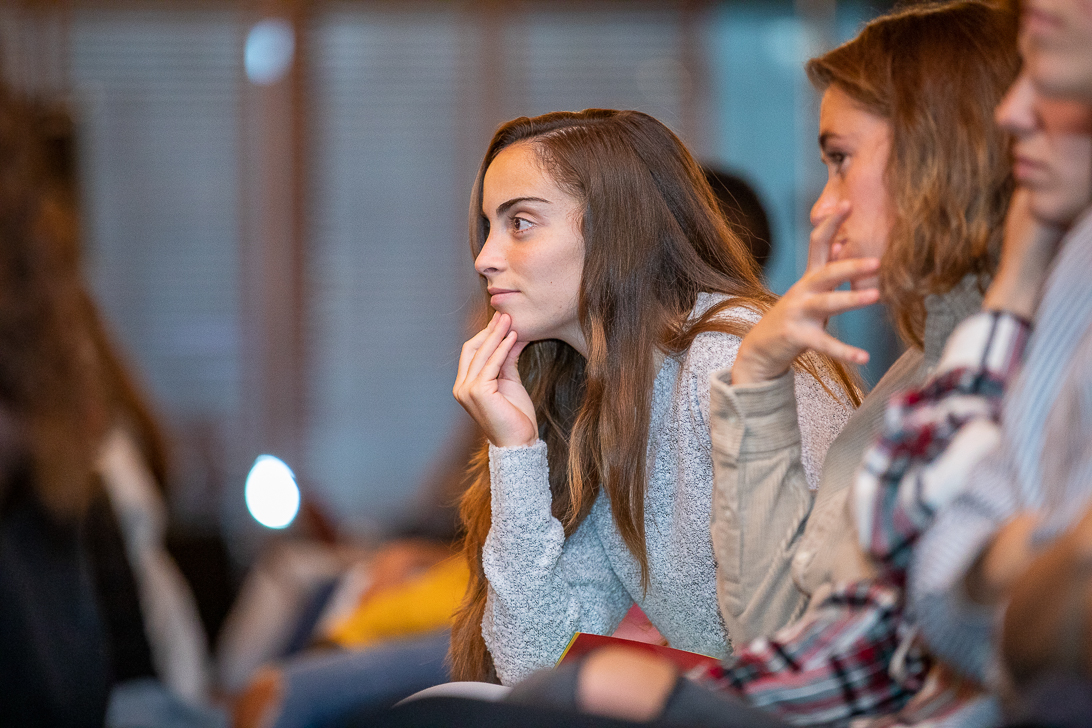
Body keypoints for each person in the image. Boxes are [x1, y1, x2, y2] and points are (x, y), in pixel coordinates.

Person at [508, 3, 1020, 724]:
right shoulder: (919, 367)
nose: (821, 208)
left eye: (840, 162)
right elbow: (787, 632)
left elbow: (843, 654)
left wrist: (673, 695)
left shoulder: (726, 349)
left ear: (942, 155)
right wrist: (513, 450)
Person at [450, 109, 860, 685]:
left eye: (520, 223)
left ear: (615, 229)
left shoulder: (731, 357)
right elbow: (535, 666)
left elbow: (821, 628)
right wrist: (515, 451)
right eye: (490, 226)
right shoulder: (598, 392)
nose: (485, 257)